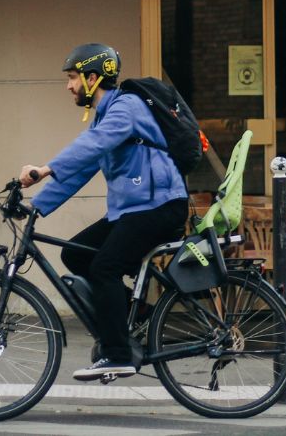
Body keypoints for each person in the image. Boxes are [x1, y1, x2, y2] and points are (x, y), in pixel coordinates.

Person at [19, 43, 190, 382]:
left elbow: (93, 145)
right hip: (136, 210)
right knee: (75, 255)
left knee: (104, 267)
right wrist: (35, 205)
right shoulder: (105, 115)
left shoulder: (127, 107)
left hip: (160, 207)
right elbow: (83, 167)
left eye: (72, 78)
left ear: (93, 78)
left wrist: (45, 168)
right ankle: (135, 317)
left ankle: (117, 354)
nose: (69, 86)